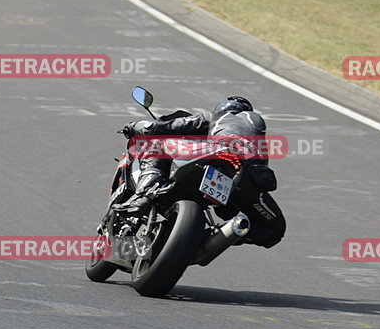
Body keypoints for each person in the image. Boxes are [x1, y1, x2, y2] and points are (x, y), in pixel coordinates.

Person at [121, 96, 286, 249]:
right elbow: (262, 173)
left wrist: (135, 126)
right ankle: (213, 236)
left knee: (156, 144)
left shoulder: (216, 117)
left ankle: (142, 197)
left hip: (218, 155)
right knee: (274, 229)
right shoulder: (257, 130)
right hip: (243, 174)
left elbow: (169, 127)